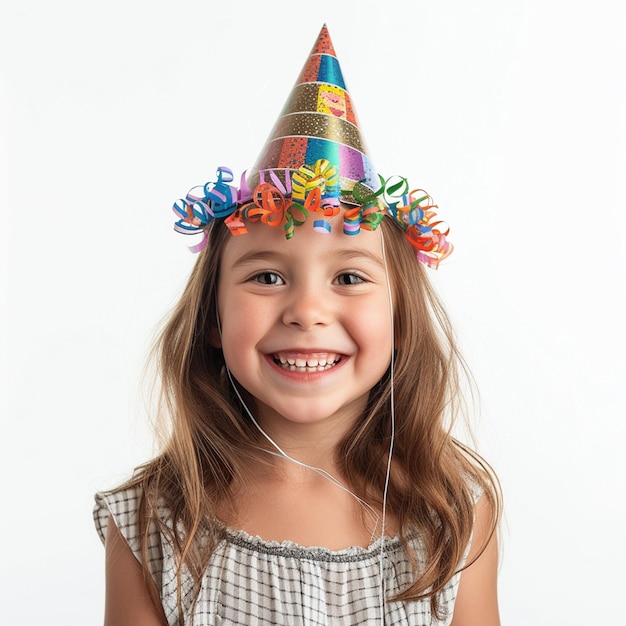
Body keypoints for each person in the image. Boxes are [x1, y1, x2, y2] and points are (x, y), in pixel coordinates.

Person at [94, 24, 502, 626]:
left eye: (349, 278)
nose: (307, 311)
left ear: (401, 320)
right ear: (212, 318)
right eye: (266, 277)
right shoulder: (154, 521)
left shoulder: (452, 512)